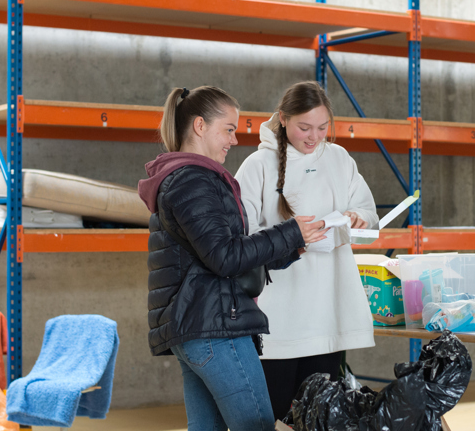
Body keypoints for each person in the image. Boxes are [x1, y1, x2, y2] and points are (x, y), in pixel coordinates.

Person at [137, 85, 327, 431]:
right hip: (215, 329)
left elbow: (222, 256)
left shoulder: (185, 178)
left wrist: (291, 247)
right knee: (255, 427)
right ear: (199, 126)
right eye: (228, 129)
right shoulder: (192, 181)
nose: (234, 139)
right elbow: (225, 258)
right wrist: (289, 232)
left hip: (200, 326)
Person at [235, 81, 379, 420]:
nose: (314, 136)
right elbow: (239, 238)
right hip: (277, 319)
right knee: (274, 417)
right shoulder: (257, 165)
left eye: (322, 127)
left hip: (328, 312)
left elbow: (370, 217)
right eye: (304, 127)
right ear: (283, 120)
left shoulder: (339, 158)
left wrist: (359, 219)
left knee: (321, 419)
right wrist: (291, 237)